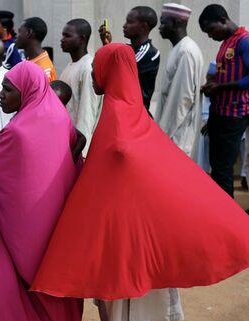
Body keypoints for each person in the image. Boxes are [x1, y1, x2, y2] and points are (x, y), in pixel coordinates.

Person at [31, 43, 249, 321]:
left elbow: (124, 153)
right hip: (123, 224)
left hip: (126, 233)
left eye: (100, 67)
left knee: (124, 302)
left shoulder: (119, 112)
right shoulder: (129, 109)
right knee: (110, 299)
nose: (96, 74)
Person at [0, 61, 85, 321]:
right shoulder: (57, 116)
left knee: (29, 295)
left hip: (26, 231)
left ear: (26, 91)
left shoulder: (18, 131)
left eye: (8, 89)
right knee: (56, 296)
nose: (1, 95)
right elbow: (75, 147)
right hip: (57, 225)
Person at [199, 4, 249, 197]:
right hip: (219, 113)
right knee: (217, 167)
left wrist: (221, 87)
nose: (211, 36)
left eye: (211, 30)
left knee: (223, 170)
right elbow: (223, 73)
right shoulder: (226, 42)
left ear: (223, 20)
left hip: (233, 114)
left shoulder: (243, 42)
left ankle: (228, 218)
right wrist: (211, 84)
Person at [154, 3, 203, 158]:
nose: (159, 27)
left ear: (176, 23)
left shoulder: (186, 52)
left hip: (177, 136)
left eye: (163, 22)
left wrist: (163, 135)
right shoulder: (178, 49)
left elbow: (182, 99)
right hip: (171, 134)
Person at [100, 6, 160, 112]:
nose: (124, 26)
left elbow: (118, 74)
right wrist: (106, 45)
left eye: (130, 22)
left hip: (136, 114)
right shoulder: (128, 49)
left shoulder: (149, 53)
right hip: (124, 111)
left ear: (143, 26)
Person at [60, 19, 102, 157]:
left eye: (67, 36)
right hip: (67, 142)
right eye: (62, 35)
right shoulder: (70, 66)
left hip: (79, 150)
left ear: (82, 39)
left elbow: (87, 113)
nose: (62, 39)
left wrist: (80, 154)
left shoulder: (87, 68)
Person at [15, 17, 57, 81]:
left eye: (19, 31)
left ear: (29, 33)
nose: (16, 36)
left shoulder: (43, 70)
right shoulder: (32, 60)